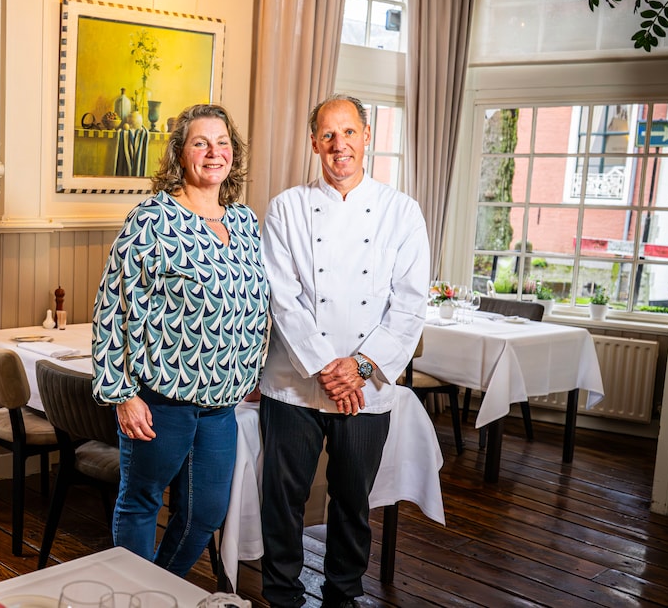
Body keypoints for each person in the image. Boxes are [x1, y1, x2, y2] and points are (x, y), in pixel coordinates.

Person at [259, 94, 429, 607]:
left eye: (349, 133)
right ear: (314, 143)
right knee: (282, 501)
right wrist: (324, 367)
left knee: (352, 502)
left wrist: (356, 367)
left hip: (365, 388)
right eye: (329, 136)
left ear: (367, 135)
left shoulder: (401, 212)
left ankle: (343, 594)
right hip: (292, 383)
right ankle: (281, 595)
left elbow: (410, 302)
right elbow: (281, 297)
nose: (340, 146)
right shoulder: (286, 207)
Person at [90, 103, 270, 576]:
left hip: (221, 403)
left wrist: (251, 369)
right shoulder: (153, 219)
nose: (215, 153)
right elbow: (112, 307)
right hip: (160, 397)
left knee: (206, 512)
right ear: (179, 153)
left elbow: (252, 302)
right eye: (201, 143)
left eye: (223, 142)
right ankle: (135, 598)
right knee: (141, 502)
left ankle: (160, 591)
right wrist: (121, 394)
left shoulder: (245, 223)